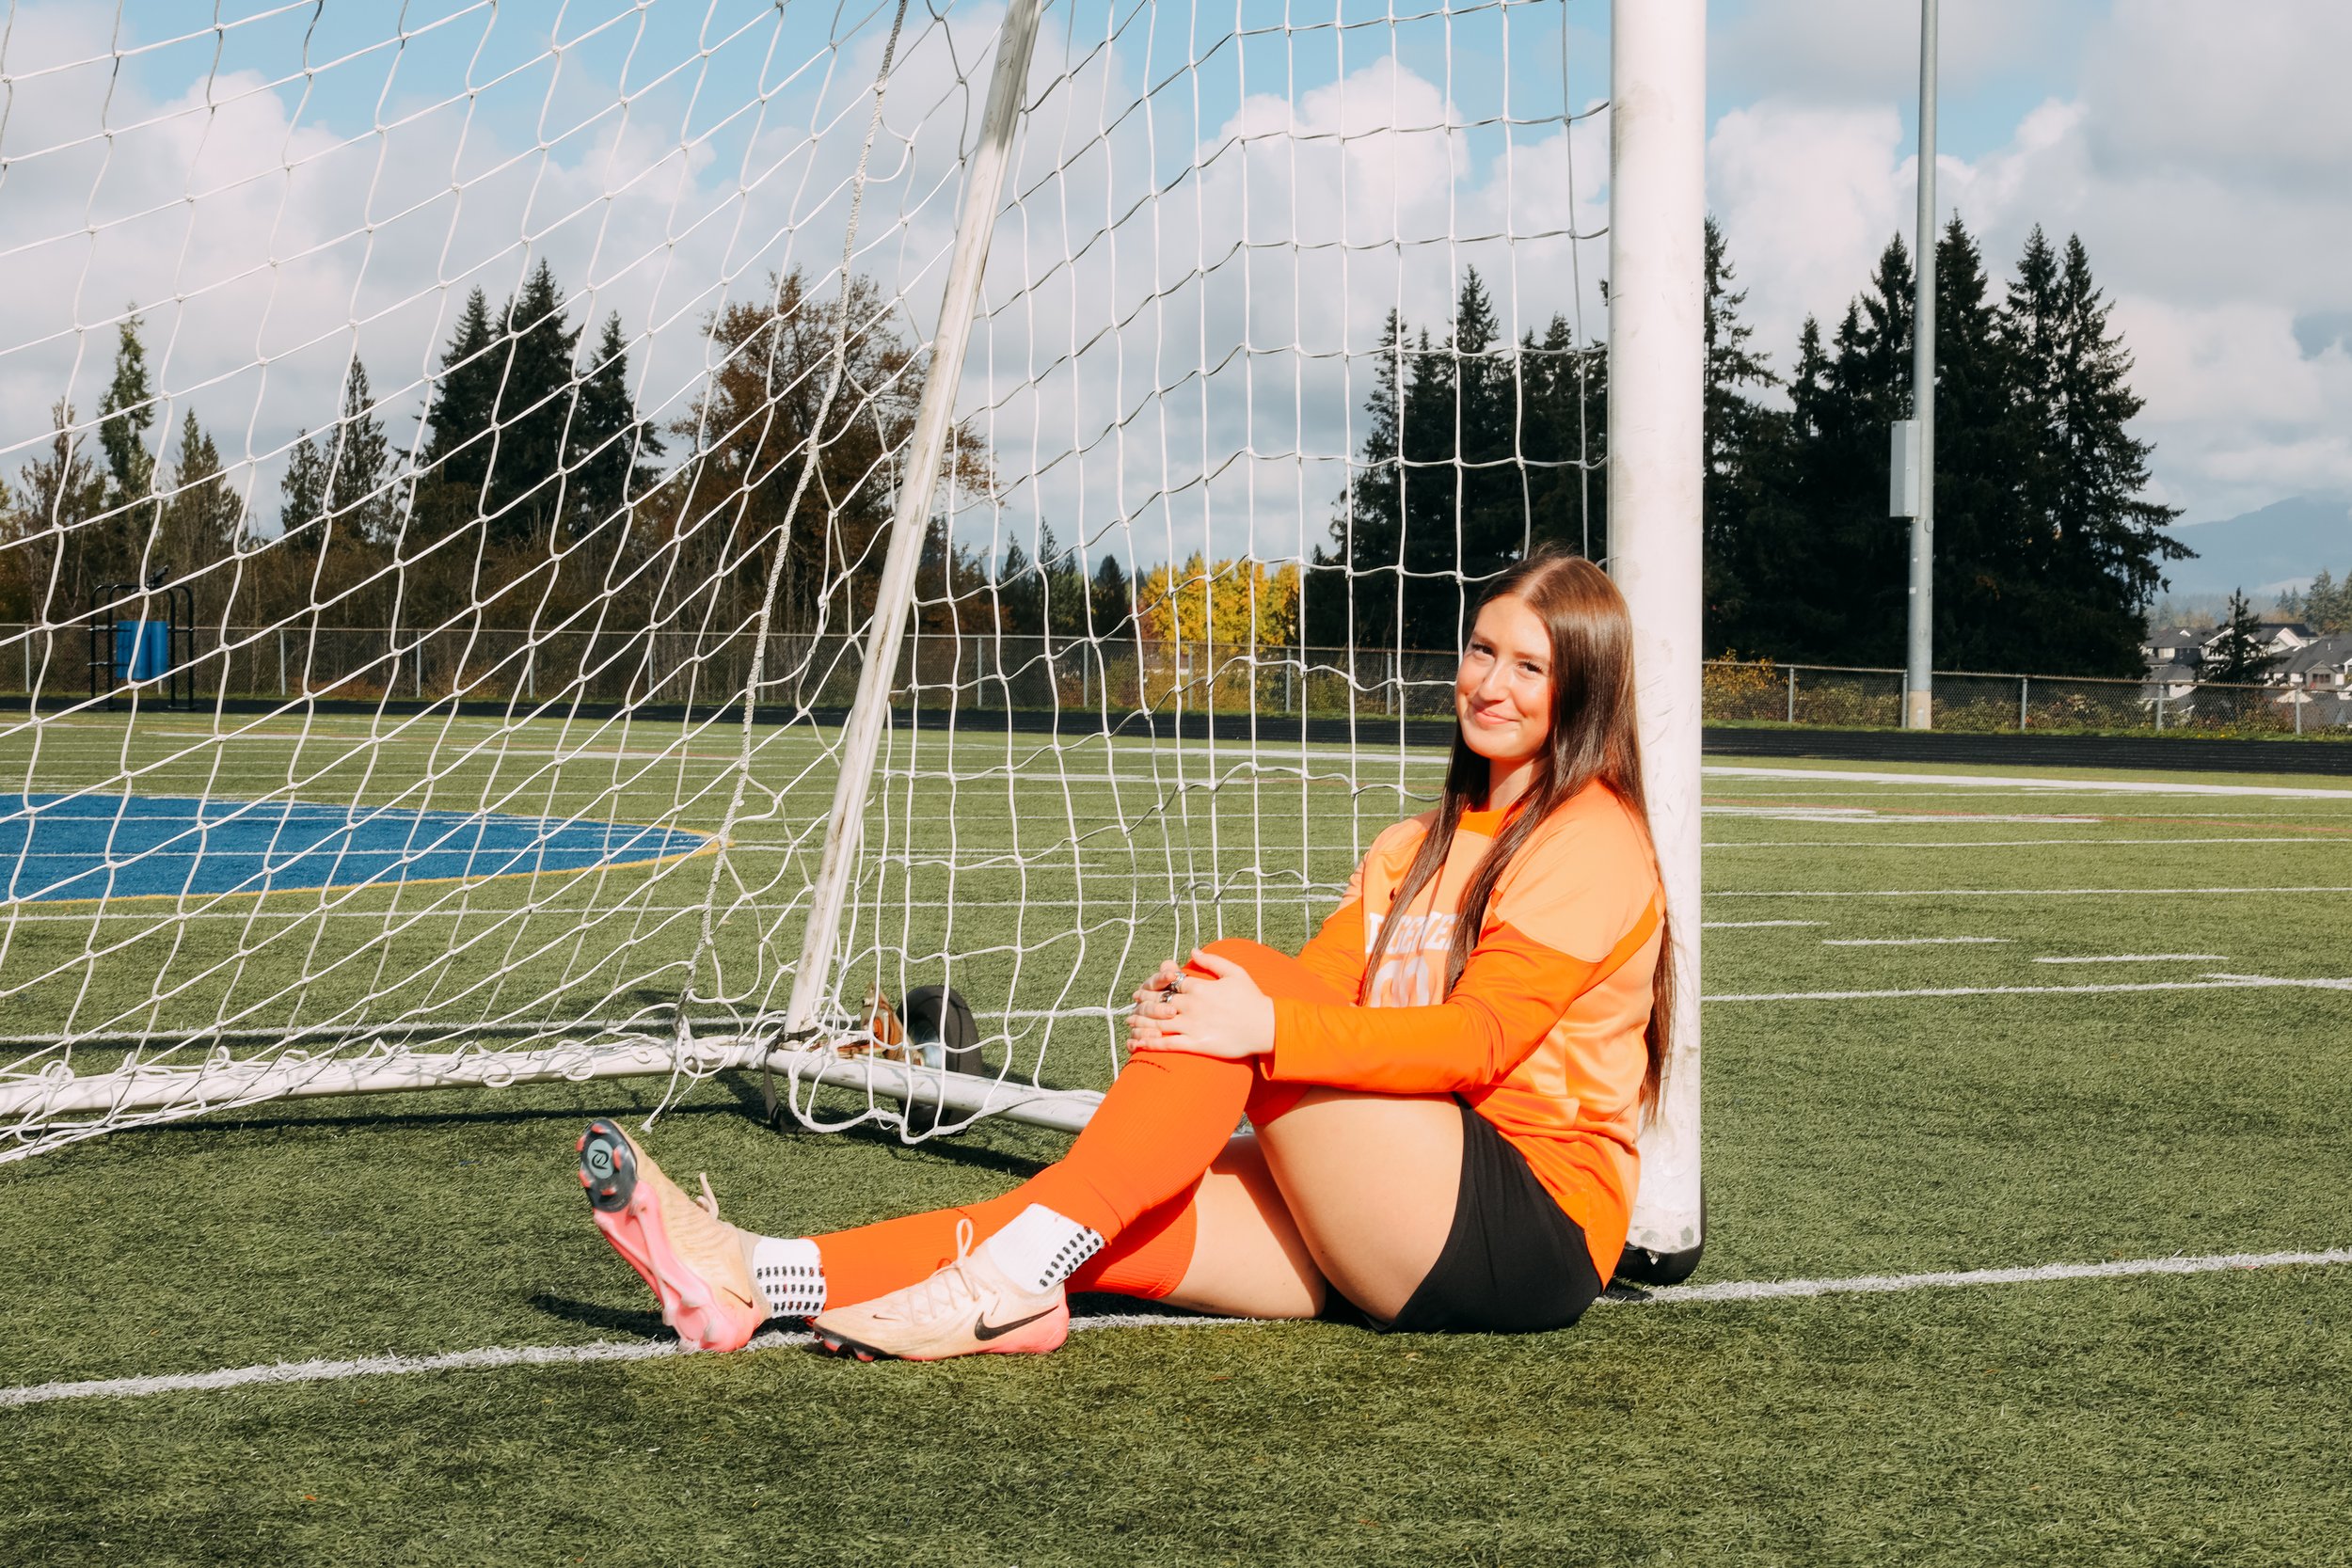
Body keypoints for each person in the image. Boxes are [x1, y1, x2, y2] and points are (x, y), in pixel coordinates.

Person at [576, 547, 1671, 1360]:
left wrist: (1258, 1019)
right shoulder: (1411, 845)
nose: (1491, 681)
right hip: (1397, 1199)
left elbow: (1479, 1041)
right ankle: (752, 1275)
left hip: (1523, 1220)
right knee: (1096, 1222)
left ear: (1583, 687)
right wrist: (1220, 1014)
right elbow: (1320, 985)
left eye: (1530, 665)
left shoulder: (1591, 833)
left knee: (1238, 987)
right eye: (1483, 649)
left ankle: (999, 1286)